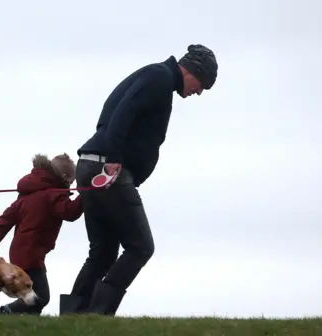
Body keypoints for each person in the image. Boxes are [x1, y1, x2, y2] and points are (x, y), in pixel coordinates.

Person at [59, 44, 219, 316]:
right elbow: (123, 112)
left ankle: (74, 314)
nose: (199, 92)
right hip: (108, 169)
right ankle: (98, 313)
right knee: (140, 247)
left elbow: (110, 112)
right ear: (191, 71)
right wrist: (114, 159)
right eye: (201, 84)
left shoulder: (155, 77)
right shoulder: (159, 78)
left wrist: (109, 151)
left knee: (103, 252)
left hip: (92, 164)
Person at [0, 153, 84, 315]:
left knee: (34, 299)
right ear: (64, 178)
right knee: (41, 297)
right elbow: (69, 212)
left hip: (21, 250)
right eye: (71, 182)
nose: (71, 186)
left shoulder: (28, 194)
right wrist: (86, 196)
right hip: (31, 252)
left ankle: (27, 322)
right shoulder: (53, 194)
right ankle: (4, 313)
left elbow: (8, 216)